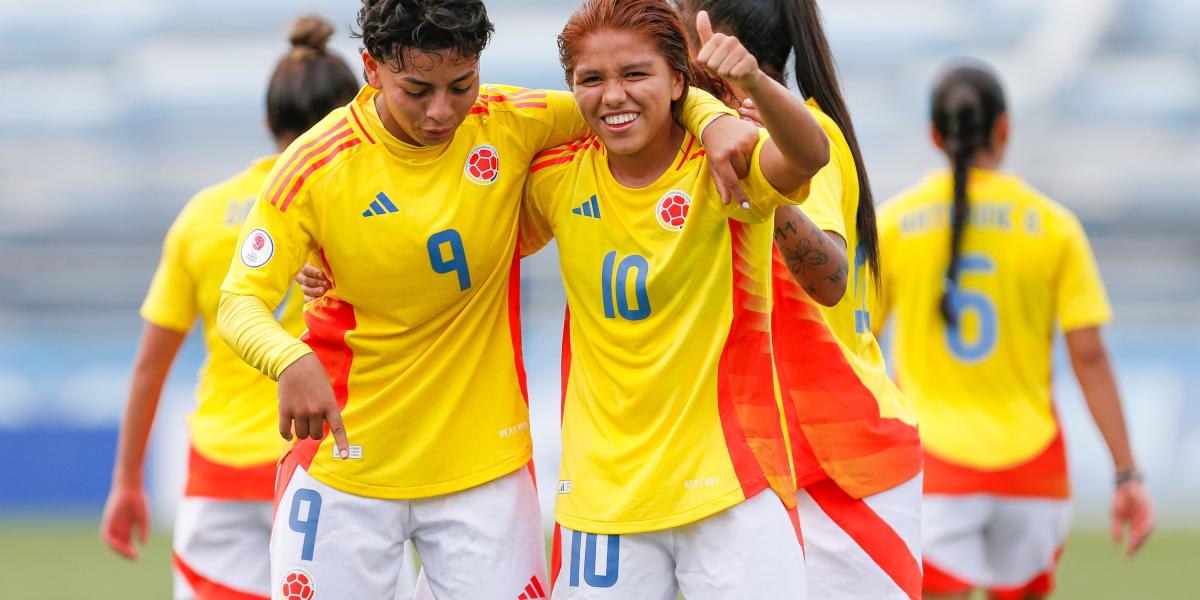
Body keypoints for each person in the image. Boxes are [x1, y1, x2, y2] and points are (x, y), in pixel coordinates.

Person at [217, 1, 749, 597]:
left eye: (460, 85)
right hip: (343, 467)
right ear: (371, 69)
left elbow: (627, 101)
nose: (441, 111)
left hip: (484, 475)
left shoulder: (509, 118)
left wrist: (710, 115)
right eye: (416, 90)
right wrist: (288, 358)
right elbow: (239, 302)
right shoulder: (313, 168)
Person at [517, 1, 828, 597]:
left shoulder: (726, 160)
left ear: (678, 82)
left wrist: (750, 83)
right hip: (605, 499)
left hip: (734, 485)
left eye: (635, 74)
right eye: (592, 79)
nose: (613, 96)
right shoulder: (556, 176)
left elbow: (809, 155)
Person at [98, 16, 359, 600]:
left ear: (268, 123)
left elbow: (150, 367)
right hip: (328, 467)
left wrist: (126, 480)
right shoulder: (362, 208)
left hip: (217, 476)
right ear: (354, 116)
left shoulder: (201, 216)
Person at [673, 1, 927, 598]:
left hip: (843, 466)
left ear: (715, 41)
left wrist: (767, 189)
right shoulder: (722, 137)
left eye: (678, 23)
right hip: (784, 460)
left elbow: (828, 277)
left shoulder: (796, 140)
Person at [875, 60, 1155, 599]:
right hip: (1033, 471)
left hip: (935, 468)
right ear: (1005, 129)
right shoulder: (1054, 226)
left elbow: (857, 348)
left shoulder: (893, 224)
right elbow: (1090, 357)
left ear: (934, 134)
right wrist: (1126, 474)